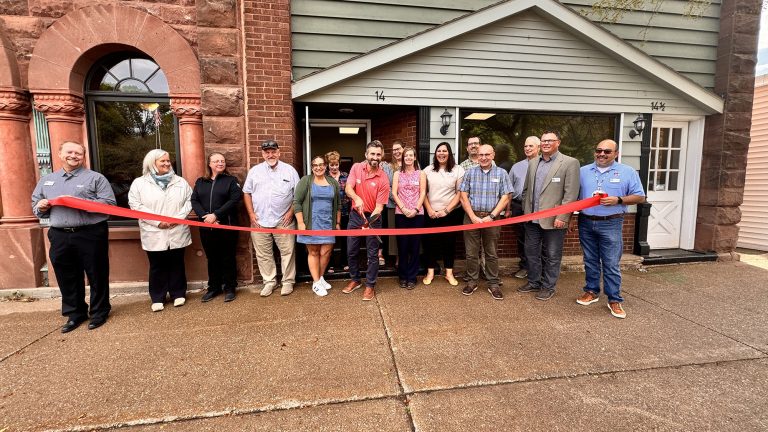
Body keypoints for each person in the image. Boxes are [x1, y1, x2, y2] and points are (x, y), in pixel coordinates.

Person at [31, 141, 116, 333]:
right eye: (70, 152)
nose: (74, 156)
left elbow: (109, 205)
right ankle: (74, 314)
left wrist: (79, 203)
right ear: (60, 154)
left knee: (97, 274)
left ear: (83, 156)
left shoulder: (95, 178)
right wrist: (41, 207)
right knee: (66, 276)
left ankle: (99, 312)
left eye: (79, 153)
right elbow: (36, 206)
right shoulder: (47, 180)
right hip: (60, 235)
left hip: (91, 233)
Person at [576, 139, 646, 319]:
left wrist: (619, 200)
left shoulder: (627, 172)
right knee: (590, 260)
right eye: (598, 150)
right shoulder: (583, 171)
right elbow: (574, 197)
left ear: (616, 154)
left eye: (607, 151)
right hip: (585, 221)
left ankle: (614, 299)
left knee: (610, 263)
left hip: (611, 223)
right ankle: (591, 291)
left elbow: (640, 197)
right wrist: (568, 218)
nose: (601, 154)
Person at [518, 130, 580, 301]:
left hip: (554, 220)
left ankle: (548, 286)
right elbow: (526, 190)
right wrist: (525, 211)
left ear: (558, 142)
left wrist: (563, 217)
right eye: (543, 141)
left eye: (549, 141)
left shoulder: (569, 163)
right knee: (531, 252)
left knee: (552, 255)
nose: (545, 143)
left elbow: (571, 194)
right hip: (531, 219)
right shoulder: (533, 163)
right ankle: (534, 282)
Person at [128, 149, 193, 312]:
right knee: (157, 265)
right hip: (153, 231)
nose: (166, 164)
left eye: (168, 161)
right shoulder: (139, 183)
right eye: (162, 161)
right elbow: (135, 205)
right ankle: (158, 297)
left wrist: (176, 219)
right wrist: (157, 222)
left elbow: (189, 201)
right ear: (152, 163)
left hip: (177, 229)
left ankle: (179, 293)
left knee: (177, 263)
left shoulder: (180, 182)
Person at [243, 139, 300, 297]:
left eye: (273, 151)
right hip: (259, 221)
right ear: (262, 154)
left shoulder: (290, 171)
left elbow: (298, 195)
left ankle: (288, 282)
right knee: (263, 254)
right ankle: (269, 282)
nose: (270, 154)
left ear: (279, 152)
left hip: (284, 221)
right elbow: (246, 192)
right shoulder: (254, 171)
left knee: (287, 252)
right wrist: (251, 214)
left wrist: (290, 212)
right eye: (267, 152)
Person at [459, 144, 513, 300]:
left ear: (493, 155)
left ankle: (493, 283)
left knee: (491, 252)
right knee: (471, 253)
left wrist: (492, 215)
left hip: (493, 217)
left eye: (487, 155)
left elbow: (505, 197)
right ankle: (472, 281)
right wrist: (473, 216)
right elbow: (463, 196)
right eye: (481, 155)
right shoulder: (469, 173)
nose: (483, 157)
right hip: (471, 217)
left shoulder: (502, 173)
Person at [191, 152, 243, 303]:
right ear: (209, 164)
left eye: (222, 161)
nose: (220, 163)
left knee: (228, 257)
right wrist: (205, 217)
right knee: (212, 258)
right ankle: (213, 288)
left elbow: (234, 199)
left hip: (227, 226)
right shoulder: (201, 181)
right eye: (216, 161)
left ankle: (230, 287)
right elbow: (194, 200)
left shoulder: (231, 181)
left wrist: (216, 215)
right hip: (207, 227)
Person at [342, 140, 390, 301]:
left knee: (372, 254)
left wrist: (368, 223)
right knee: (351, 251)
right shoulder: (356, 168)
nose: (375, 157)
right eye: (372, 154)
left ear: (381, 156)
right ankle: (355, 280)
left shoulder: (383, 178)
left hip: (373, 218)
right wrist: (357, 198)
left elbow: (379, 207)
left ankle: (370, 285)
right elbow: (348, 188)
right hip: (355, 216)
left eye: (378, 154)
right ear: (366, 155)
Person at [295, 155, 341, 297]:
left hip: (328, 224)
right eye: (315, 165)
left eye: (321, 164)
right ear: (312, 167)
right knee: (314, 252)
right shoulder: (305, 181)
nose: (318, 167)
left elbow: (338, 204)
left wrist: (338, 223)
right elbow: (296, 202)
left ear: (325, 166)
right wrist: (301, 223)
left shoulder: (333, 182)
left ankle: (320, 278)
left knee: (326, 253)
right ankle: (315, 282)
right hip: (311, 224)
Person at [423, 142, 465, 286]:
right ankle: (430, 272)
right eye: (439, 151)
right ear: (435, 153)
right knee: (430, 243)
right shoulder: (428, 170)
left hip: (450, 214)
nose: (441, 153)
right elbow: (423, 193)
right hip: (431, 214)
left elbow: (459, 193)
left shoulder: (458, 170)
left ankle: (449, 273)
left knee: (449, 243)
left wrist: (446, 211)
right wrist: (429, 210)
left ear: (449, 153)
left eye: (444, 151)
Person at [392, 146, 426, 289]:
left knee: (415, 246)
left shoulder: (421, 174)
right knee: (403, 247)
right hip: (401, 214)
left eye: (411, 155)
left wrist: (416, 209)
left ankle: (412, 277)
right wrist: (404, 209)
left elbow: (423, 192)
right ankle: (403, 276)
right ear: (403, 157)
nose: (408, 158)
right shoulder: (397, 174)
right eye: (406, 156)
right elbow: (394, 193)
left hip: (418, 214)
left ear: (415, 157)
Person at [508, 136, 541, 279]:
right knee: (521, 237)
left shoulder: (544, 164)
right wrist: (508, 209)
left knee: (536, 238)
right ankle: (524, 266)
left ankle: (537, 268)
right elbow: (509, 190)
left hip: (537, 207)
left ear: (538, 148)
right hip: (518, 206)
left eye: (531, 146)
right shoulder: (516, 166)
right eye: (525, 146)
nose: (527, 149)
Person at [380, 139, 403, 266]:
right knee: (394, 233)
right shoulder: (388, 167)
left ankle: (407, 256)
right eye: (394, 150)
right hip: (393, 205)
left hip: (410, 206)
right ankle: (397, 258)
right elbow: (387, 187)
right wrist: (400, 202)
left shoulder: (412, 164)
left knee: (408, 232)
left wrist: (407, 203)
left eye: (398, 148)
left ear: (403, 149)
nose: (396, 152)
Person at [326, 151, 349, 274]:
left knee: (345, 239)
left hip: (345, 212)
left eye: (336, 165)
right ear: (328, 165)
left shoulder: (346, 176)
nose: (334, 167)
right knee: (330, 240)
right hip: (329, 213)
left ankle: (344, 262)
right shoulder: (324, 177)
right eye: (331, 165)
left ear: (339, 164)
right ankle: (330, 264)